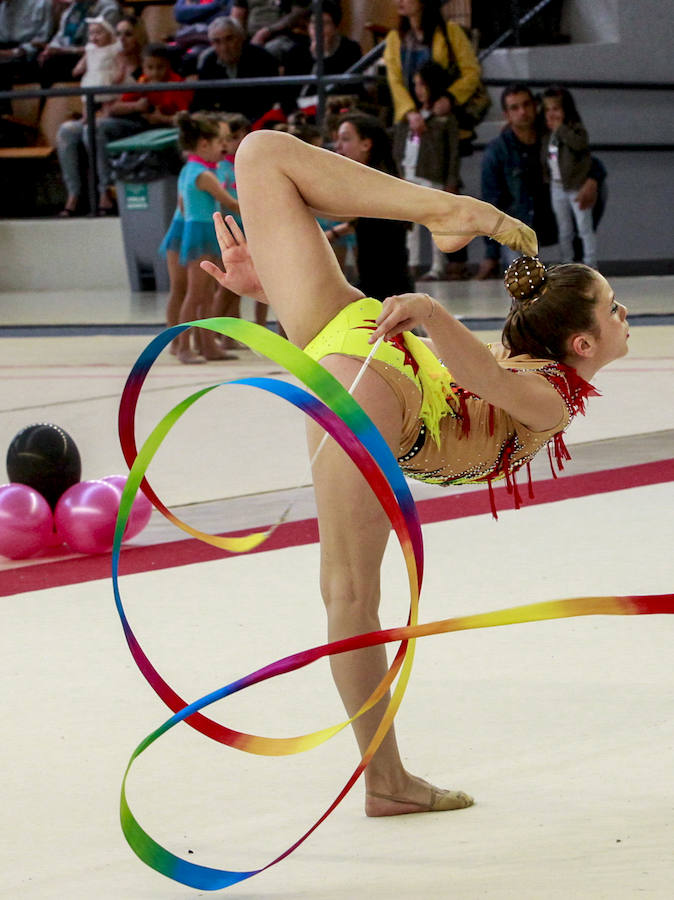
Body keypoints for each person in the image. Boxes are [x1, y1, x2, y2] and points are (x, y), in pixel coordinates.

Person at [200, 128, 629, 815]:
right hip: (386, 380)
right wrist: (429, 310)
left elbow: (448, 376)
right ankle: (387, 784)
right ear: (581, 343)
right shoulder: (551, 401)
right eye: (615, 309)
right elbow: (477, 374)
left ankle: (441, 210)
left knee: (261, 156)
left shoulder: (541, 383)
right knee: (349, 597)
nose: (623, 315)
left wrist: (271, 289)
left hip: (366, 354)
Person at [477, 83, 606, 280]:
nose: (522, 112)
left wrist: (592, 180)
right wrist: (491, 255)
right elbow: (490, 203)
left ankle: (580, 258)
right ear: (507, 115)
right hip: (521, 225)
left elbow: (591, 162)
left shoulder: (553, 136)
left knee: (595, 189)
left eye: (526, 105)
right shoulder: (497, 151)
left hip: (554, 217)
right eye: (515, 107)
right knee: (520, 278)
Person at [57, 40, 190, 215]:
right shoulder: (142, 82)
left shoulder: (178, 84)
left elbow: (186, 118)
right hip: (137, 124)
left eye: (160, 67)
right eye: (150, 67)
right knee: (79, 130)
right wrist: (137, 106)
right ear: (144, 67)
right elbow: (115, 108)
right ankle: (86, 193)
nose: (155, 73)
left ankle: (107, 193)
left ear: (169, 66)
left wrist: (161, 119)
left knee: (96, 128)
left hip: (160, 130)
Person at [165, 110, 240, 363]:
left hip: (199, 228)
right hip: (200, 231)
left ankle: (207, 345)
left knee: (205, 294)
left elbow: (183, 204)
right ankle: (183, 345)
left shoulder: (198, 169)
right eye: (221, 141)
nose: (225, 146)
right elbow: (230, 203)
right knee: (195, 294)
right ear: (204, 144)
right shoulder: (203, 173)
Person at [56, 13, 146, 216]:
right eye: (119, 34)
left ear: (139, 37)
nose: (122, 39)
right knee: (67, 130)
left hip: (131, 122)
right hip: (99, 115)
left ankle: (104, 192)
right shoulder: (103, 60)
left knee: (93, 129)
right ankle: (74, 195)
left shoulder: (147, 65)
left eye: (129, 34)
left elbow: (141, 102)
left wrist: (112, 109)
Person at [331, 112, 414, 300]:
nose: (338, 147)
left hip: (389, 285)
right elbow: (362, 219)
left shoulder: (378, 182)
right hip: (375, 281)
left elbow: (345, 213)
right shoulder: (370, 179)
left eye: (345, 139)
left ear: (366, 144)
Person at [392, 60, 460, 281]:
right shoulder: (409, 116)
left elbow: (453, 152)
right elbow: (398, 146)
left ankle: (437, 267)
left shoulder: (445, 118)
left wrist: (451, 180)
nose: (418, 90)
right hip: (408, 173)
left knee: (436, 224)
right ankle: (410, 264)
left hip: (432, 175)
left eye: (422, 84)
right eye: (416, 85)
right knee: (409, 226)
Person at [541, 85, 596, 269]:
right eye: (547, 109)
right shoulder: (548, 135)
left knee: (584, 228)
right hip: (556, 186)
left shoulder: (575, 130)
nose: (551, 114)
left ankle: (590, 265)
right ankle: (567, 264)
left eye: (555, 109)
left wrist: (561, 129)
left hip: (577, 186)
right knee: (564, 230)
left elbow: (579, 145)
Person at [190, 16, 280, 123]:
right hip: (222, 124)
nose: (224, 47)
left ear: (241, 38)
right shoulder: (209, 62)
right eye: (217, 42)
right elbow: (200, 102)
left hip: (256, 122)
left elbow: (268, 100)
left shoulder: (261, 58)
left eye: (229, 39)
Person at [37, 0, 120, 88]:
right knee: (43, 60)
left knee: (52, 64)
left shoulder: (109, 8)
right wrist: (48, 50)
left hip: (94, 57)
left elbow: (102, 45)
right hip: (65, 56)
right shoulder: (72, 8)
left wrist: (65, 51)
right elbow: (59, 37)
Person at [0, 0, 53, 112]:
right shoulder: (3, 6)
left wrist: (16, 52)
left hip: (29, 53)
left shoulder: (41, 4)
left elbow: (43, 39)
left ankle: (5, 116)